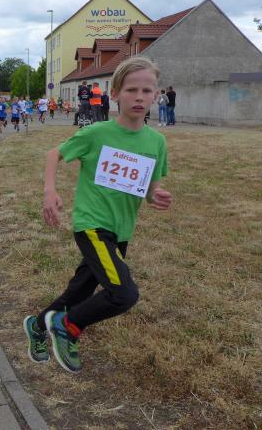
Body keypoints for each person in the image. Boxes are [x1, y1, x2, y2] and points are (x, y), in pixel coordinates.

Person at [22, 56, 172, 373]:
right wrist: (50, 191)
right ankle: (68, 326)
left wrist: (155, 196)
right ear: (114, 94)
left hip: (121, 231)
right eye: (131, 90)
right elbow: (54, 154)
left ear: (156, 95)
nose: (139, 97)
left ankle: (37, 325)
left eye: (147, 90)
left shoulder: (157, 142)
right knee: (123, 294)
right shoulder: (97, 133)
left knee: (80, 290)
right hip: (92, 226)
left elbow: (149, 187)